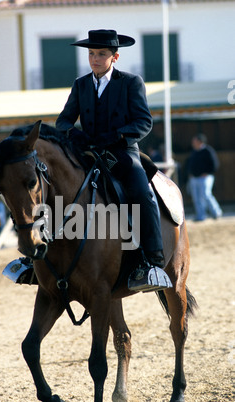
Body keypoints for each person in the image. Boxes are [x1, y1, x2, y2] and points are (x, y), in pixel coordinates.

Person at [55, 29, 172, 292]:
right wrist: (74, 134)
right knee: (57, 187)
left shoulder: (131, 82)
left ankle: (153, 261)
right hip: (86, 153)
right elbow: (62, 120)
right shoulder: (80, 84)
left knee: (143, 193)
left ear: (115, 57)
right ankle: (37, 257)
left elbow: (144, 122)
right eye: (91, 54)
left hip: (119, 152)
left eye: (101, 54)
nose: (95, 59)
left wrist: (118, 136)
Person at [185, 134, 222, 221]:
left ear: (200, 141)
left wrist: (207, 173)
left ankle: (216, 212)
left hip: (205, 178)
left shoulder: (208, 151)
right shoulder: (194, 152)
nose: (193, 143)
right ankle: (201, 216)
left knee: (206, 194)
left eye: (195, 141)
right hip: (194, 178)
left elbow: (215, 164)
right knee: (196, 197)